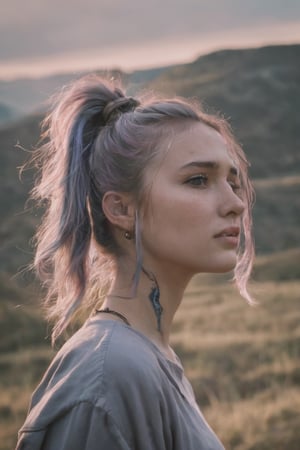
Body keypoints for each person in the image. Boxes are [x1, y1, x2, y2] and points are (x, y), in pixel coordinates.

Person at [16, 74, 254, 450]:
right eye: (198, 180)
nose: (235, 204)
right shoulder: (107, 377)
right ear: (122, 209)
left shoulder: (145, 356)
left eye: (233, 182)